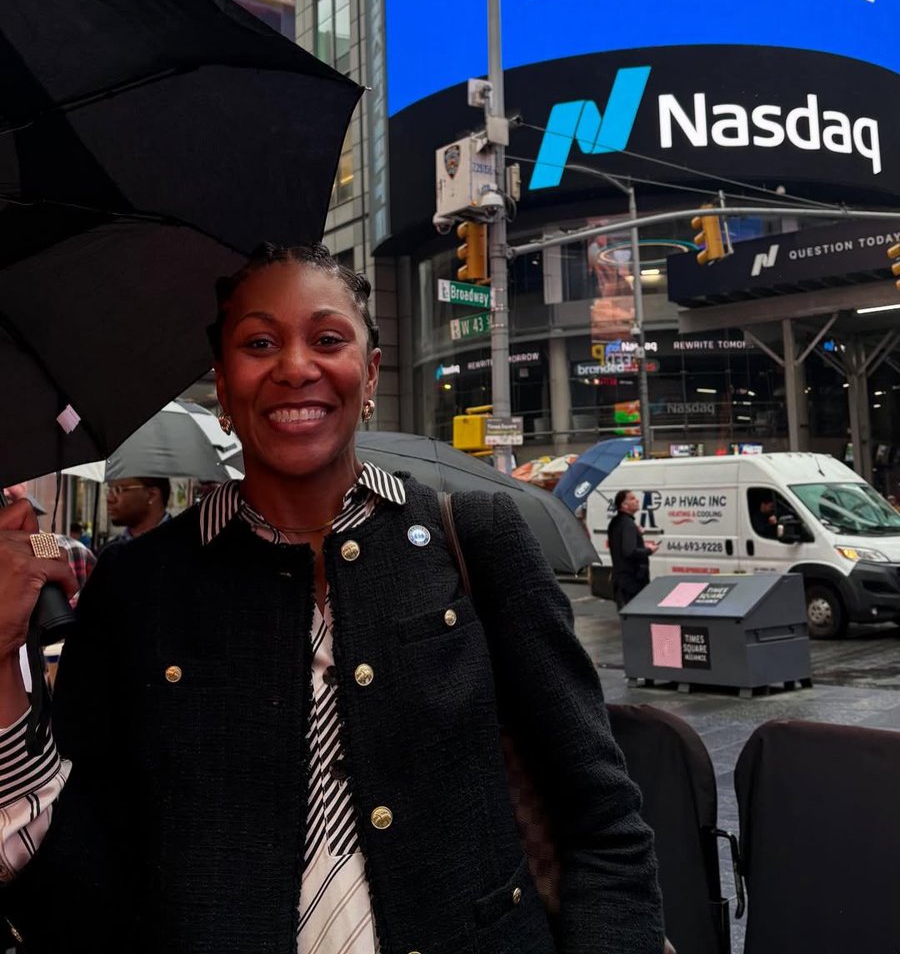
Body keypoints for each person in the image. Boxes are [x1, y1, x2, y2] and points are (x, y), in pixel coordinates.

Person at [0, 243, 665, 953]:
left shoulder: (477, 542)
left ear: (370, 372)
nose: (294, 366)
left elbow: (604, 825)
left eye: (327, 338)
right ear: (222, 386)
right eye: (259, 343)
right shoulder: (137, 589)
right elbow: (74, 903)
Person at [607, 489, 658, 609]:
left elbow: (621, 545)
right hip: (632, 583)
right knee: (634, 621)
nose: (637, 500)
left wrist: (637, 535)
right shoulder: (627, 524)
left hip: (622, 581)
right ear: (624, 505)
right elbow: (629, 551)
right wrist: (649, 550)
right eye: (632, 498)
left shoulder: (616, 522)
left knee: (627, 620)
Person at [98, 477, 171, 554]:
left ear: (152, 495)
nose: (110, 499)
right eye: (110, 490)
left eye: (119, 489)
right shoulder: (108, 553)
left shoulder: (181, 547)